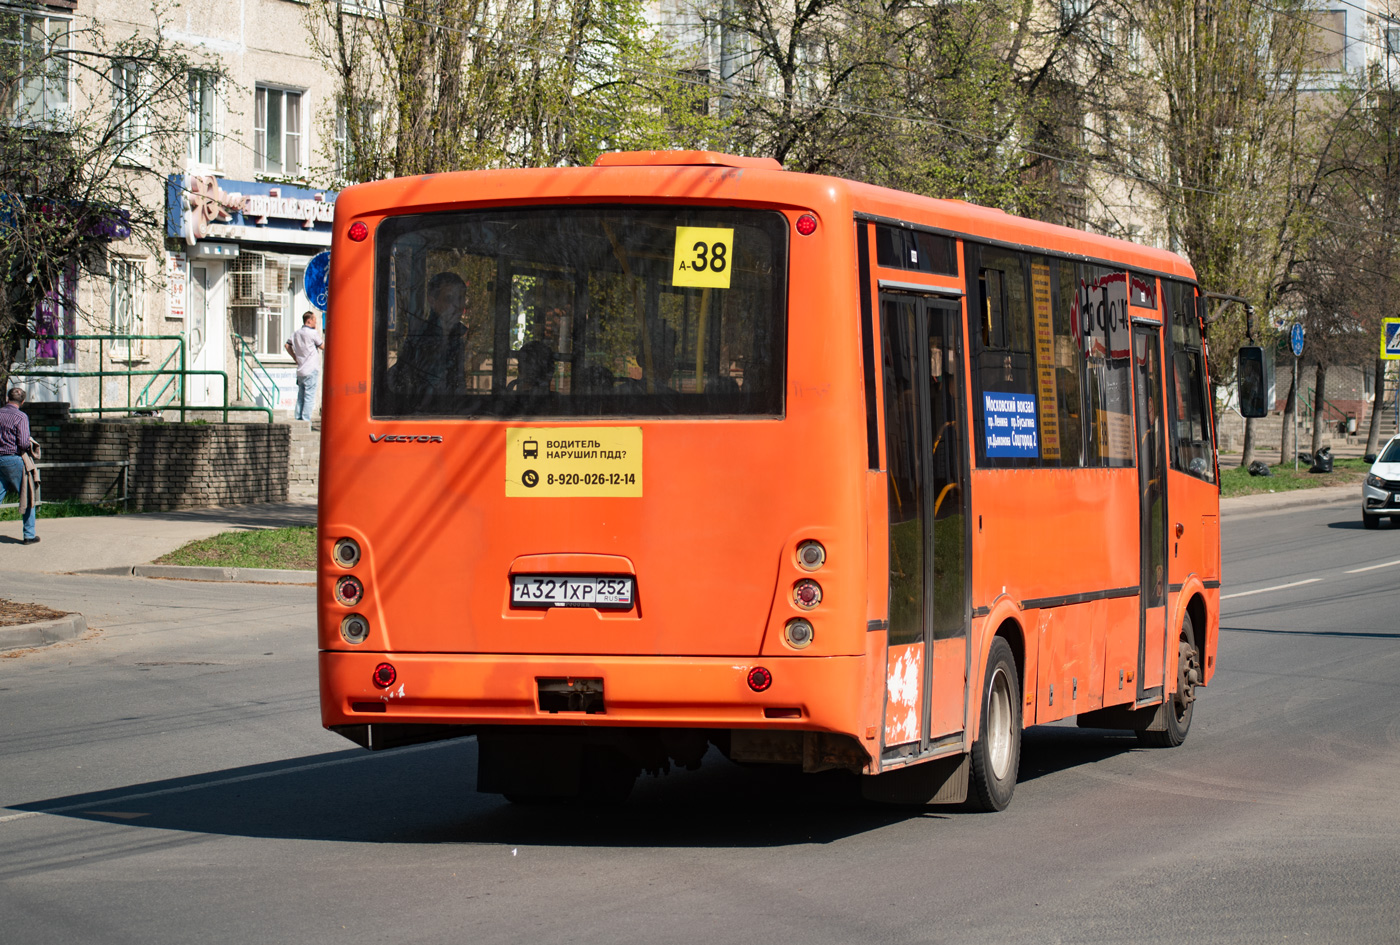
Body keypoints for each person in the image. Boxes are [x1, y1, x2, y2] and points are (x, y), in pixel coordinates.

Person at [0, 388, 38, 544]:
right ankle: (29, 535)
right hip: (14, 459)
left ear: (7, 398)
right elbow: (22, 443)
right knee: (27, 496)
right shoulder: (21, 417)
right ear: (22, 402)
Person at [285, 311, 324, 422]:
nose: (315, 323)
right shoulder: (312, 333)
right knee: (309, 397)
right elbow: (322, 346)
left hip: (301, 370)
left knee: (301, 397)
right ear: (309, 320)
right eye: (315, 321)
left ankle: (298, 418)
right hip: (311, 369)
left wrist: (294, 357)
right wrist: (317, 332)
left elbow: (287, 345)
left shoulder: (296, 333)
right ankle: (306, 420)